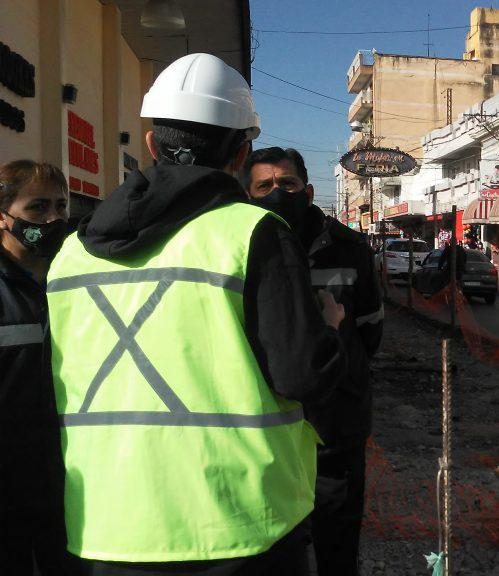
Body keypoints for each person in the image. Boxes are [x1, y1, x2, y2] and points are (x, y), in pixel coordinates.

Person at [46, 53, 350, 575]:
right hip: (241, 525)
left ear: (151, 144)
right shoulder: (254, 234)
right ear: (241, 152)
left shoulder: (71, 253)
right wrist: (331, 330)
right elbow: (301, 374)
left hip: (106, 527)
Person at [242, 147, 383, 575]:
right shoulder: (239, 246)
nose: (277, 193)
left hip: (335, 421)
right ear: (248, 195)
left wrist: (334, 358)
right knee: (274, 545)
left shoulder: (348, 247)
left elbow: (369, 330)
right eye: (264, 186)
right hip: (264, 424)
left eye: (287, 183)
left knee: (336, 541)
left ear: (307, 191)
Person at [0, 161, 77, 576]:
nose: (53, 219)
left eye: (61, 206)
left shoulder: (76, 281)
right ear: (3, 216)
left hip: (68, 476)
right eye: (38, 207)